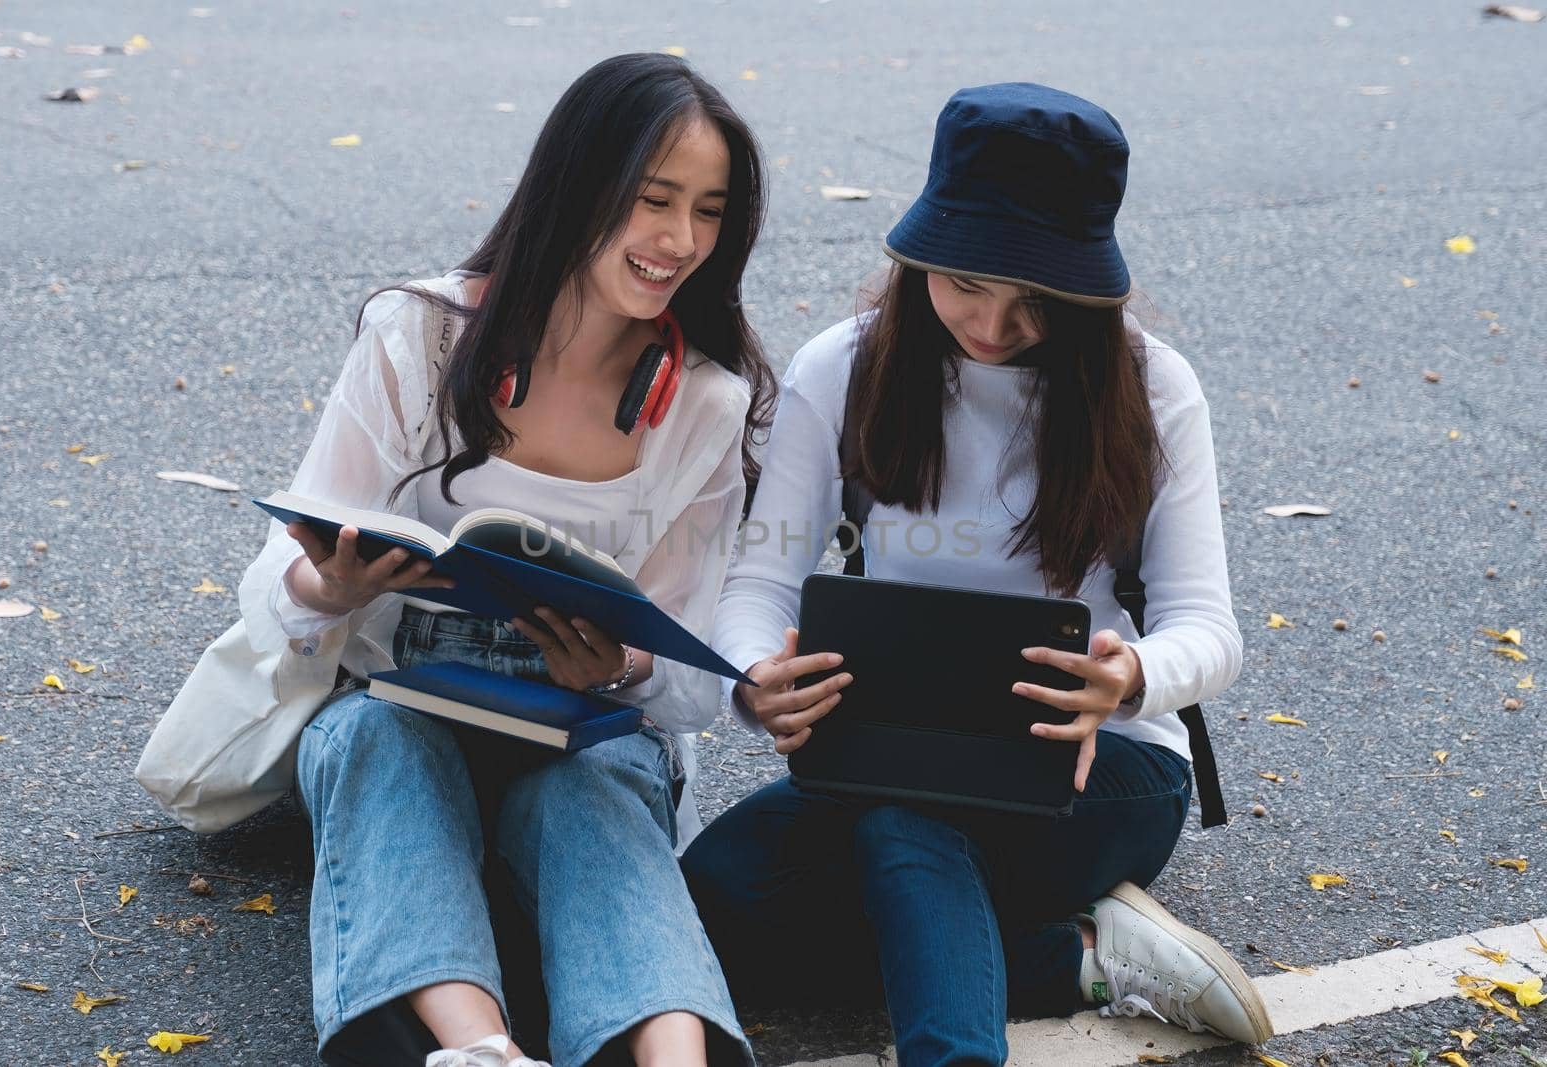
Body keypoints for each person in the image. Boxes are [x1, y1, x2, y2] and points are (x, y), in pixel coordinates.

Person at [680, 83, 1274, 1066]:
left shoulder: (1151, 385)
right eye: (963, 285)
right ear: (917, 259)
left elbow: (1208, 631)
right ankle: (1082, 954)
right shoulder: (845, 366)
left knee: (905, 821)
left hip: (1100, 763)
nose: (992, 325)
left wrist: (1126, 677)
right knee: (714, 896)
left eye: (1035, 300)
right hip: (890, 747)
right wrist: (754, 676)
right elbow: (759, 583)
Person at [236, 53, 775, 1067]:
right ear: (580, 184)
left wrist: (619, 666)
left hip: (580, 730)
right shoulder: (422, 336)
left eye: (707, 211)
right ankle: (475, 1049)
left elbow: (689, 674)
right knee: (371, 738)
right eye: (654, 199)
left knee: (607, 777)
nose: (679, 241)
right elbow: (280, 583)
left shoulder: (704, 399)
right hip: (403, 707)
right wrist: (336, 582)